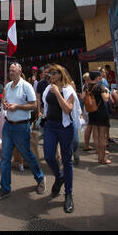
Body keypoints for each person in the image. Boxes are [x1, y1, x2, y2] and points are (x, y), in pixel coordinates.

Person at [0, 62, 45, 201]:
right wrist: (6, 104)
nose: (11, 73)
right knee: (5, 159)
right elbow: (5, 99)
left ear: (20, 71)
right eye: (10, 70)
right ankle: (5, 188)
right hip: (8, 126)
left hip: (21, 127)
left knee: (27, 155)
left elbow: (34, 105)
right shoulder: (8, 86)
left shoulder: (26, 86)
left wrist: (18, 107)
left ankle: (40, 178)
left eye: (14, 70)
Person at [42, 64, 81, 214]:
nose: (50, 75)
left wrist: (58, 93)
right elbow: (45, 104)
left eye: (53, 72)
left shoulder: (68, 89)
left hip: (65, 127)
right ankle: (59, 177)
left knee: (67, 160)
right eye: (49, 72)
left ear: (60, 74)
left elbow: (67, 109)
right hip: (50, 126)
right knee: (49, 156)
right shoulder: (48, 88)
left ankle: (68, 194)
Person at [82, 70, 111, 165]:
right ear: (97, 77)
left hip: (92, 112)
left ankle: (99, 155)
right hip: (101, 113)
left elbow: (82, 98)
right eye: (100, 76)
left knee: (96, 135)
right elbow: (105, 99)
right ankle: (102, 158)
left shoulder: (86, 87)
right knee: (102, 137)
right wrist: (108, 92)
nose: (101, 78)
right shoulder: (100, 87)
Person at [79, 73, 94, 152]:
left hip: (87, 107)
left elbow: (82, 97)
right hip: (90, 108)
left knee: (89, 127)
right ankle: (86, 145)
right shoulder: (87, 86)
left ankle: (86, 144)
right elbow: (82, 97)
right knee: (90, 127)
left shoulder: (84, 86)